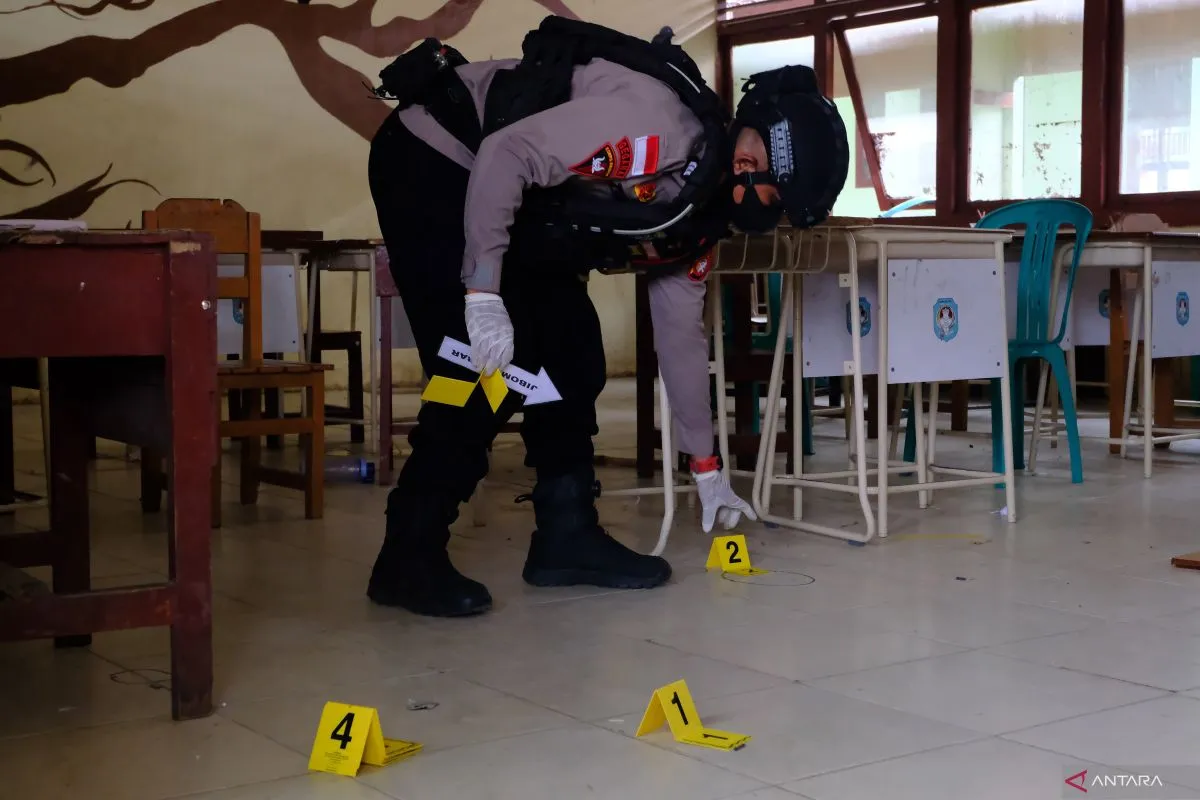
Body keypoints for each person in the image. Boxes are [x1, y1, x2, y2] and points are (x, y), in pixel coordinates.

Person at [366, 16, 848, 617]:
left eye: (779, 205)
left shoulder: (695, 211)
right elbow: (506, 152)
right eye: (772, 193)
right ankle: (408, 551)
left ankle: (566, 534)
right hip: (433, 156)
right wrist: (482, 293)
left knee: (571, 349)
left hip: (504, 188)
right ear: (751, 155)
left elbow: (681, 338)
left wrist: (705, 465)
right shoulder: (656, 130)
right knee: (478, 368)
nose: (765, 206)